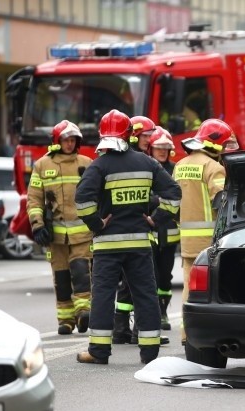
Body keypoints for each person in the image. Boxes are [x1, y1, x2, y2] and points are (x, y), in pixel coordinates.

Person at [75, 109, 181, 365]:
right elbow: (174, 194)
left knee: (103, 296)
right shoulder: (147, 163)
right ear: (129, 134)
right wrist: (156, 219)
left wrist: (97, 223)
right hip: (139, 243)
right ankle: (150, 353)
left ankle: (99, 352)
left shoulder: (99, 165)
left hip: (107, 244)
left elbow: (81, 200)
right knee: (145, 294)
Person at [27, 120, 93, 335]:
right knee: (62, 278)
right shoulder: (42, 165)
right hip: (55, 235)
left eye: (73, 140)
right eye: (66, 139)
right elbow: (34, 199)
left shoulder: (86, 163)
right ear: (57, 141)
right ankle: (66, 320)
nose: (69, 144)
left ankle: (84, 312)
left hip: (82, 232)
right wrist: (37, 226)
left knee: (82, 272)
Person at [112, 115, 172, 343]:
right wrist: (155, 206)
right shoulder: (137, 161)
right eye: (146, 135)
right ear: (134, 135)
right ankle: (138, 330)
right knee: (143, 281)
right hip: (135, 227)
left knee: (132, 281)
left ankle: (122, 329)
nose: (151, 139)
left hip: (140, 229)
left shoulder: (141, 159)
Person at [175, 118, 232, 345]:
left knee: (190, 287)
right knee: (214, 289)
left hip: (187, 240)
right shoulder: (214, 167)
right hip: (210, 240)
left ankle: (185, 333)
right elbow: (222, 202)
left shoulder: (181, 165)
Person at [147, 127, 180, 333]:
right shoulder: (145, 168)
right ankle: (153, 312)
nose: (162, 152)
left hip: (169, 230)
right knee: (152, 274)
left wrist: (155, 200)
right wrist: (157, 200)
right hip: (150, 229)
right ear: (151, 149)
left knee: (166, 276)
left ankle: (163, 312)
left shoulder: (175, 170)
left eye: (165, 148)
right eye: (158, 148)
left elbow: (179, 196)